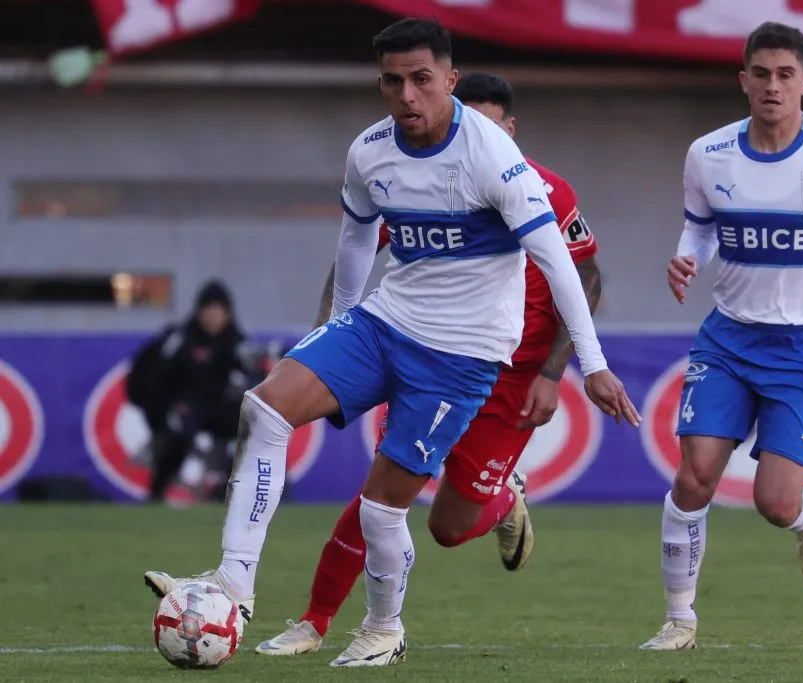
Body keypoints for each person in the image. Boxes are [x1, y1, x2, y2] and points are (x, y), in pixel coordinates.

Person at [142, 17, 640, 669]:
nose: (407, 95)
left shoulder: (492, 156)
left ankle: (383, 626)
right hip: (386, 323)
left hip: (462, 355)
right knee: (263, 407)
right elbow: (354, 240)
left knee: (384, 509)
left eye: (421, 80)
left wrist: (592, 365)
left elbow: (558, 259)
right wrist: (335, 330)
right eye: (393, 81)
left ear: (448, 81)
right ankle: (235, 584)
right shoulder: (371, 151)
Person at [253, 73, 603, 661]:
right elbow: (358, 247)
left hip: (512, 378)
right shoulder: (428, 182)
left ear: (511, 132)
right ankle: (314, 622)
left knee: (446, 526)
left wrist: (552, 372)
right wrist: (328, 332)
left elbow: (587, 276)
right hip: (435, 354)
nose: (479, 139)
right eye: (473, 124)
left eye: (494, 128)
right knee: (379, 496)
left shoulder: (548, 191)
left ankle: (502, 502)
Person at [640, 21, 803, 651]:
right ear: (744, 80)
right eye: (761, 73)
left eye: (786, 75)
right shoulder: (708, 154)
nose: (773, 86)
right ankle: (679, 619)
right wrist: (686, 257)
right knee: (694, 475)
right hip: (728, 340)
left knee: (776, 502)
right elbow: (701, 228)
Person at [125, 280, 250, 502]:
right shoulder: (180, 339)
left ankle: (230, 493)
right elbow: (150, 378)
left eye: (218, 311)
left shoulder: (238, 343)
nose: (213, 317)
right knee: (180, 429)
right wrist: (156, 416)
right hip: (183, 408)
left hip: (218, 409)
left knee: (248, 428)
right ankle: (157, 491)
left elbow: (253, 380)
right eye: (208, 310)